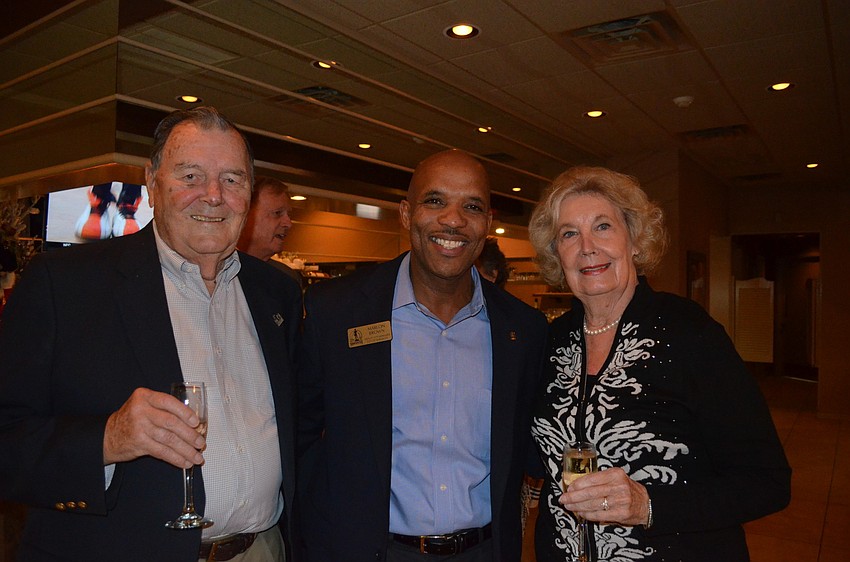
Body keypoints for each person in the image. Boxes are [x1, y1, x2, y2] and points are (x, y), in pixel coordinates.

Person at [0, 106, 302, 561]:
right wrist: (107, 438)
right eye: (191, 176)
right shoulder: (65, 286)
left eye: (233, 180)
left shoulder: (276, 291)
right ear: (152, 183)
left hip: (262, 550)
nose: (214, 196)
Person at [527, 166, 791, 561]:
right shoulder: (550, 338)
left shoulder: (689, 333)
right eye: (568, 234)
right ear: (556, 254)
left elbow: (766, 482)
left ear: (634, 241)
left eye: (602, 227)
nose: (587, 246)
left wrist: (648, 505)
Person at [296, 149, 548, 561]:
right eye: (435, 201)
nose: (453, 219)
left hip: (484, 551)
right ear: (405, 213)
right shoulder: (337, 312)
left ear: (487, 224)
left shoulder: (523, 331)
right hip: (369, 550)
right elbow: (301, 436)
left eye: (472, 206)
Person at [237, 175, 302, 287]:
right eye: (277, 213)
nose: (288, 224)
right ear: (245, 217)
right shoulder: (215, 273)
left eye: (288, 215)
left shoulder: (287, 279)